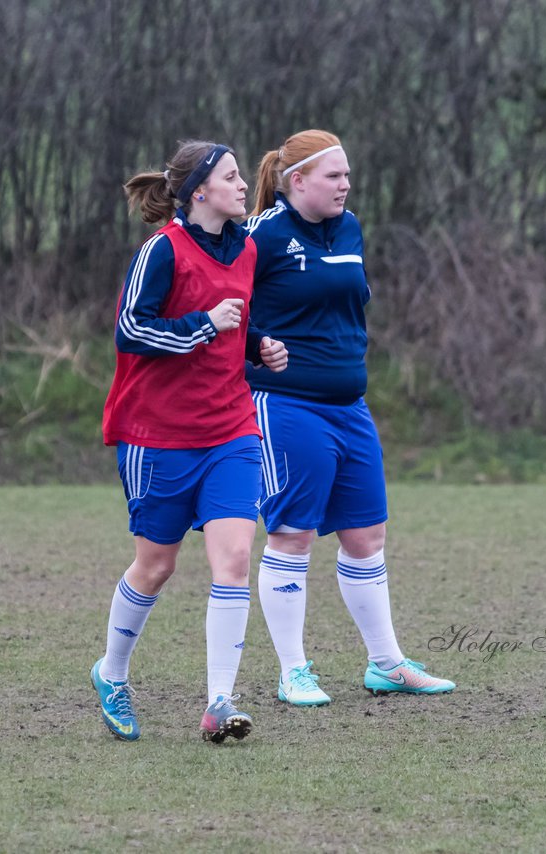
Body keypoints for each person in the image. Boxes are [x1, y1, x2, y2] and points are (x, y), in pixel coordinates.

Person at [244, 129, 455, 706]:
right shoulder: (261, 234)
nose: (345, 184)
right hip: (286, 406)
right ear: (297, 182)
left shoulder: (351, 226)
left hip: (350, 408)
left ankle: (386, 663)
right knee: (293, 535)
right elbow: (224, 310)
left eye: (347, 174)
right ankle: (294, 671)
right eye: (334, 175)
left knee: (366, 537)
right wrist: (256, 345)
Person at [90, 140, 290, 743]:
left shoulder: (248, 248)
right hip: (159, 436)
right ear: (199, 190)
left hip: (231, 428)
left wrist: (259, 345)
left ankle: (219, 701)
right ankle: (112, 673)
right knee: (157, 566)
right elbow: (130, 330)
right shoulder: (162, 250)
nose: (241, 184)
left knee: (233, 558)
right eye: (231, 176)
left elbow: (239, 317)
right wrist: (205, 326)